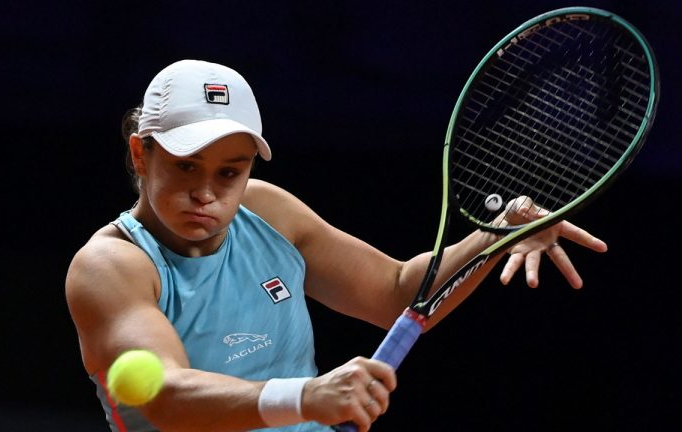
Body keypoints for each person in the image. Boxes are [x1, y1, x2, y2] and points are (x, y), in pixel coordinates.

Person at [65, 59, 608, 432]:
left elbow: (395, 294)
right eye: (185, 167)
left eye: (230, 173)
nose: (206, 193)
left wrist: (494, 235)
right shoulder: (111, 266)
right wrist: (306, 397)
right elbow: (166, 396)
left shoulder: (267, 211)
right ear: (141, 155)